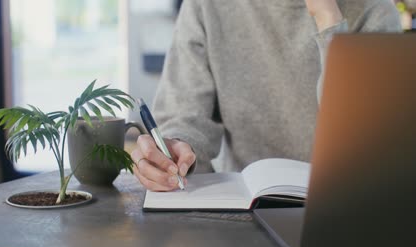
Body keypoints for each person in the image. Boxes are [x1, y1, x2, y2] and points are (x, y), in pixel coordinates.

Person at [131, 0, 402, 191]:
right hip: (240, 213)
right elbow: (184, 115)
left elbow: (367, 148)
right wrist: (177, 149)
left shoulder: (376, 12)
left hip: (343, 215)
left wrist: (327, 17)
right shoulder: (206, 6)